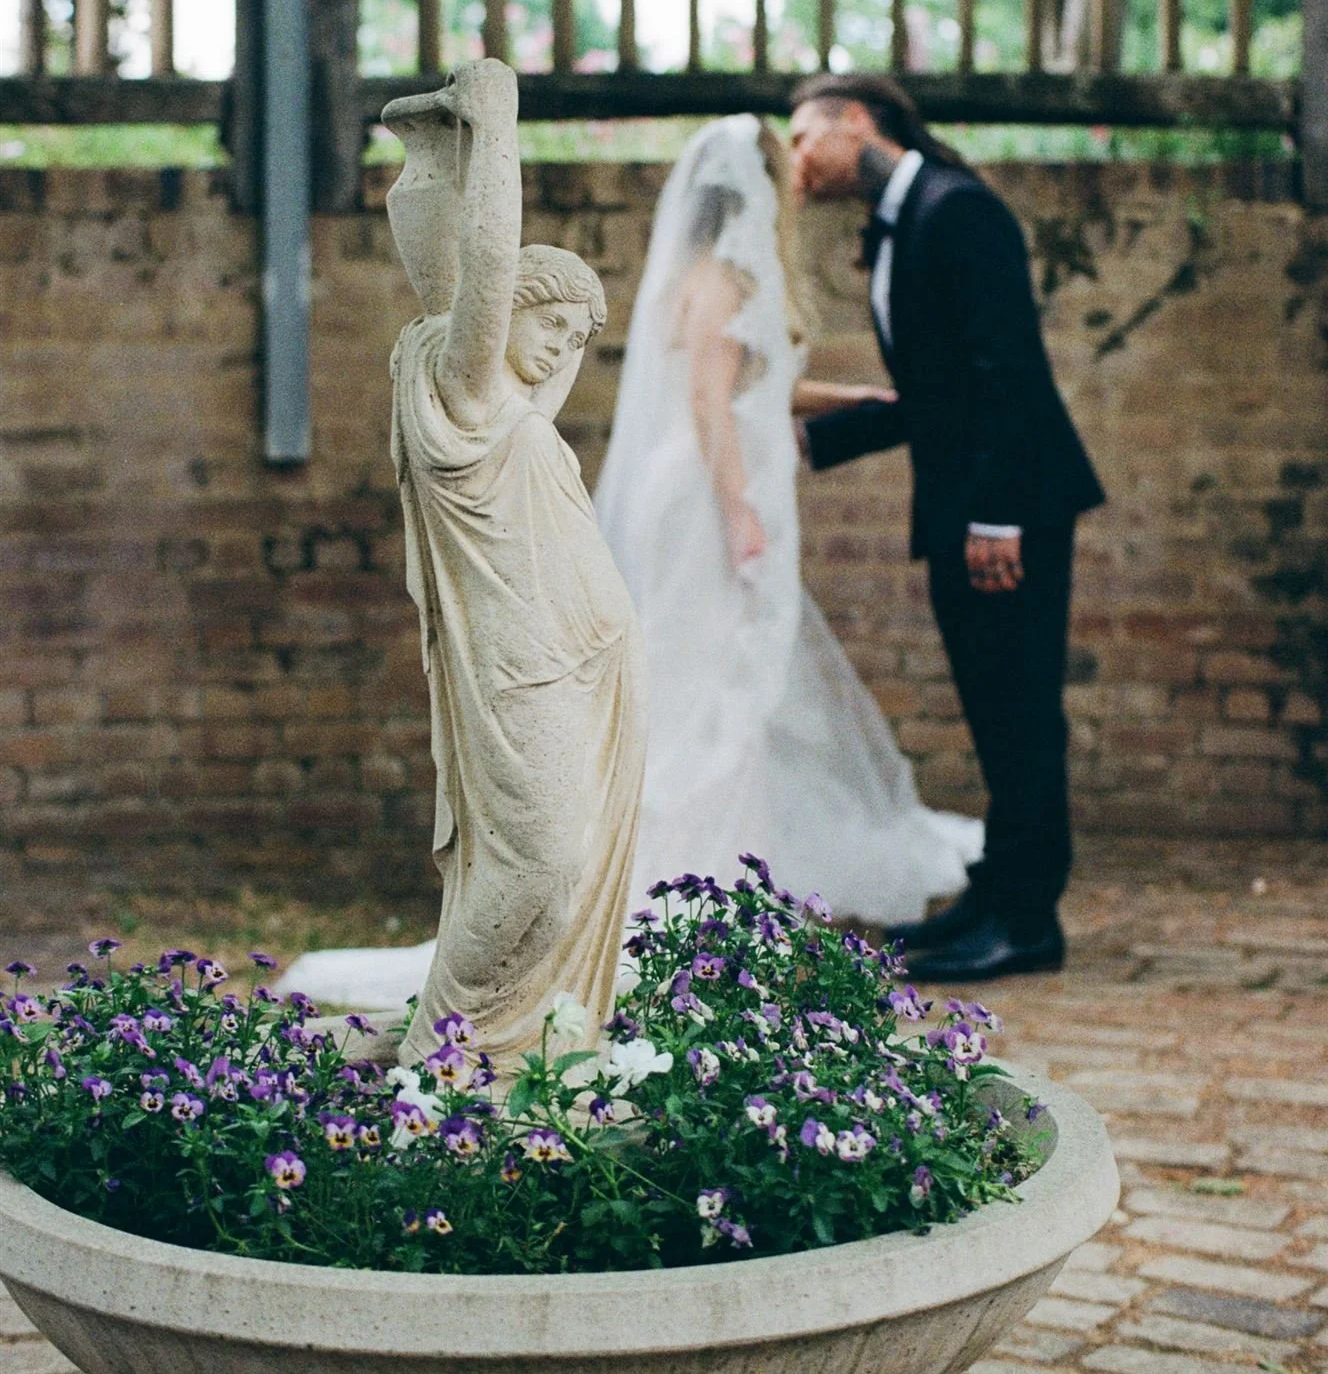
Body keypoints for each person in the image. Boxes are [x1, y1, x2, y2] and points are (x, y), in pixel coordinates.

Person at [284, 60, 646, 1064]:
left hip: (594, 662)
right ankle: (441, 1052)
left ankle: (509, 1046)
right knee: (540, 864)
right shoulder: (462, 385)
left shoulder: (519, 409)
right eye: (549, 324)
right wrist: (493, 128)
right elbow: (484, 271)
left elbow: (508, 295)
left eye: (576, 337)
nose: (560, 349)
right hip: (520, 666)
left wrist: (437, 167)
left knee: (564, 877)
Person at [595, 113, 982, 923]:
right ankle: (683, 882)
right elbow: (710, 403)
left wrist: (852, 398)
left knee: (714, 675)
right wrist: (740, 511)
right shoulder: (724, 281)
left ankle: (712, 869)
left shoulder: (706, 275)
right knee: (707, 681)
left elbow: (749, 382)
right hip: (704, 496)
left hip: (702, 483)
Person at [788, 72, 1105, 983]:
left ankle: (1028, 922)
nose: (796, 160)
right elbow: (940, 390)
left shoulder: (957, 209)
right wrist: (810, 441)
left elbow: (1008, 371)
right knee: (994, 708)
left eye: (804, 137)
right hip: (964, 503)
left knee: (1021, 711)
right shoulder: (899, 220)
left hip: (1008, 509)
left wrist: (997, 518)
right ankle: (997, 890)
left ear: (858, 120)